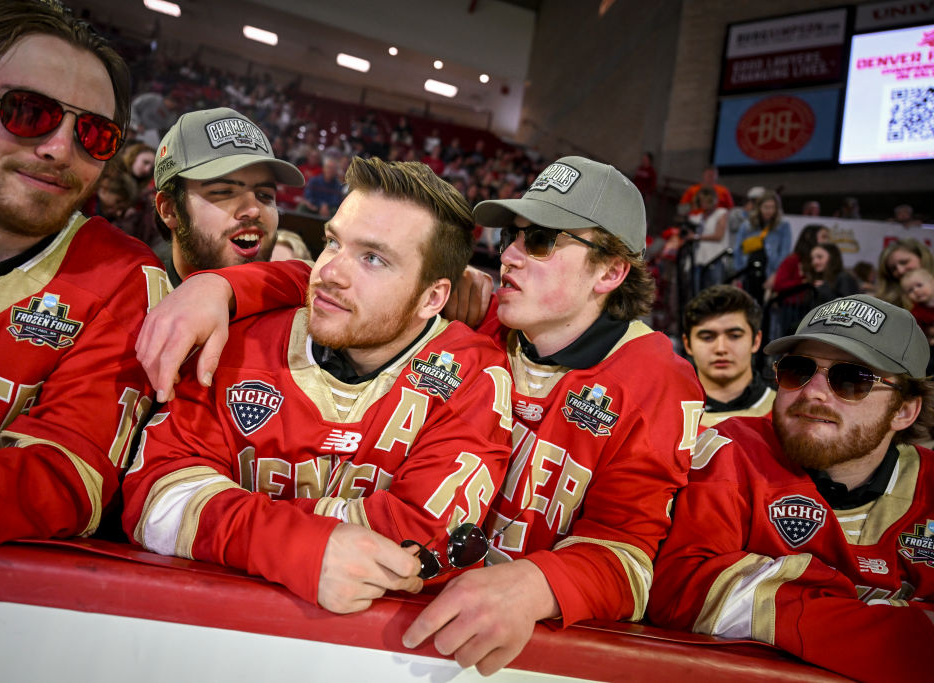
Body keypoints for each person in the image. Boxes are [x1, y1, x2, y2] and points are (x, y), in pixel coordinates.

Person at [133, 156, 704, 675]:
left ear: (610, 273)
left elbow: (630, 554)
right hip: (376, 616)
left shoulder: (659, 379)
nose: (508, 254)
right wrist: (219, 288)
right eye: (511, 235)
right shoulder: (486, 319)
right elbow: (337, 284)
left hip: (508, 652)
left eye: (543, 241)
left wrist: (537, 585)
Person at [122, 157, 514, 615]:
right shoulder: (243, 334)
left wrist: (229, 514)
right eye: (332, 243)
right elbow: (155, 498)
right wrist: (294, 544)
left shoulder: (472, 372)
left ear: (432, 298)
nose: (329, 272)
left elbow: (419, 543)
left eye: (373, 258)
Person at [0, 0, 168, 573]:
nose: (58, 149)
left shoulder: (126, 277)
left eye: (95, 135)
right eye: (27, 111)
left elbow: (66, 481)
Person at [649, 294, 934, 683]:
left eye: (851, 379)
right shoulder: (732, 451)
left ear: (904, 410)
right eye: (797, 370)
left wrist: (772, 585)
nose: (812, 392)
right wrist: (893, 620)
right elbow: (682, 589)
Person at [152, 107, 305, 286]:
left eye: (264, 195)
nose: (254, 210)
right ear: (170, 210)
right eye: (223, 192)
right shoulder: (134, 302)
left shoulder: (297, 298)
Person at [682, 286, 775, 427]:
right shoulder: (668, 415)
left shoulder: (785, 411)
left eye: (734, 336)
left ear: (756, 341)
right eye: (707, 337)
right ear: (687, 344)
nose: (721, 349)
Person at [734, 190, 791, 301]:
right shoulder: (747, 225)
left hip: (770, 271)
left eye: (772, 207)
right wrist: (738, 274)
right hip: (748, 271)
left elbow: (785, 252)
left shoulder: (783, 225)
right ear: (759, 207)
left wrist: (775, 275)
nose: (769, 211)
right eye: (766, 207)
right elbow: (738, 249)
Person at [689, 187, 729, 290]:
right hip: (698, 259)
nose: (705, 203)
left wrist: (696, 237)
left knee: (714, 292)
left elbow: (719, 235)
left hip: (715, 259)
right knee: (697, 292)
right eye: (702, 200)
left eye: (708, 200)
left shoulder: (721, 213)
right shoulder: (698, 217)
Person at [876, 238, 934, 309]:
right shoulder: (891, 303)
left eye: (904, 262)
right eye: (893, 269)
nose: (900, 271)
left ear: (921, 257)